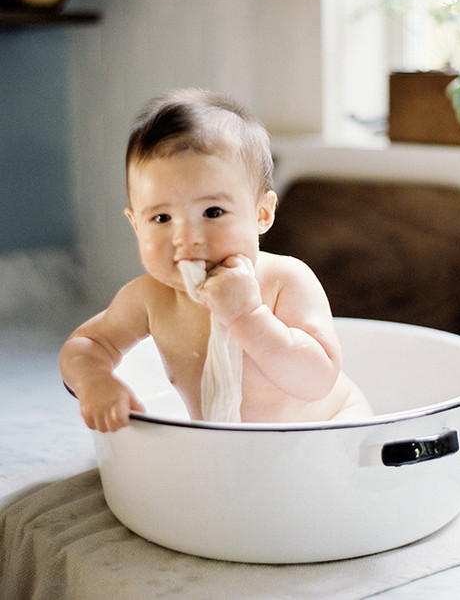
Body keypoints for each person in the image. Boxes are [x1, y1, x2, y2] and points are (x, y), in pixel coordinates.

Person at [59, 89, 373, 431]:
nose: (186, 237)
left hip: (331, 428)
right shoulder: (150, 298)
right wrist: (95, 380)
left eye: (212, 212)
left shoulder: (285, 280)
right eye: (161, 218)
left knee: (342, 474)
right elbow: (86, 344)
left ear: (262, 213)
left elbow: (317, 381)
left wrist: (248, 316)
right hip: (225, 450)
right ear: (136, 224)